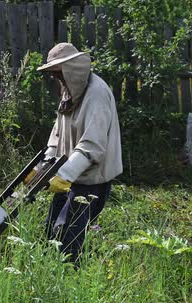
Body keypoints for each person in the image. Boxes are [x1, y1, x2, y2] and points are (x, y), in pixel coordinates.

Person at [36, 42, 122, 264]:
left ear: (71, 69)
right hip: (68, 174)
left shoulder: (97, 94)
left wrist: (64, 175)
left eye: (57, 72)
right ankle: (51, 272)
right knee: (51, 229)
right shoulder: (70, 92)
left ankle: (71, 277)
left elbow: (92, 145)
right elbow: (58, 132)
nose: (56, 78)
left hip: (90, 179)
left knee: (68, 233)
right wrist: (46, 164)